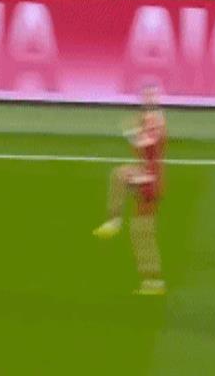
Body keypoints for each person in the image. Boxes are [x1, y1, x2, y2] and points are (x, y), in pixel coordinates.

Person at [93, 85, 167, 296]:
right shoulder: (151, 118)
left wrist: (131, 132)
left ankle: (114, 222)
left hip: (150, 180)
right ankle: (153, 281)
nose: (147, 99)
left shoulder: (156, 120)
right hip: (148, 175)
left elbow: (146, 142)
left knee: (141, 232)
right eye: (146, 95)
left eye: (150, 95)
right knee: (141, 233)